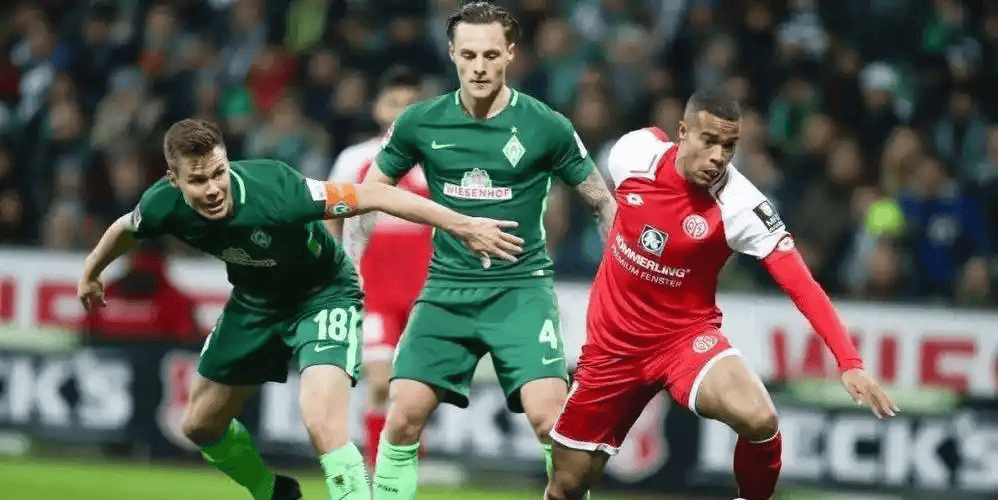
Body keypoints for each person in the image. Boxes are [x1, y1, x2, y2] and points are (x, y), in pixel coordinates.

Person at [77, 118, 524, 500]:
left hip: (323, 293)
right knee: (198, 426)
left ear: (227, 161)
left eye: (218, 173)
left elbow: (376, 196)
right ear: (174, 181)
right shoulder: (162, 204)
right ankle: (271, 491)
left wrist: (463, 225)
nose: (213, 189)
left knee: (320, 421)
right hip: (255, 302)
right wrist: (92, 271)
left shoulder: (276, 188)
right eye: (198, 181)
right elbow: (125, 229)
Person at [543, 89, 898, 500]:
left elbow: (802, 285)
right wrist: (605, 214)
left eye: (729, 146)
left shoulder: (741, 205)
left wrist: (849, 362)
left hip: (683, 341)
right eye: (708, 140)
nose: (718, 157)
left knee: (760, 418)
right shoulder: (632, 153)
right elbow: (595, 168)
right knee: (566, 486)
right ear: (683, 132)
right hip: (613, 348)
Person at [342, 3, 617, 499]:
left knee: (550, 421)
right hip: (446, 289)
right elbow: (370, 193)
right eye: (468, 55)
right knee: (401, 416)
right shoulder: (420, 122)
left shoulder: (546, 124)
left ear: (510, 53)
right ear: (452, 54)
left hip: (520, 290)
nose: (479, 66)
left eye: (491, 54)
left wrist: (622, 279)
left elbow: (601, 201)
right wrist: (350, 269)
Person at [326, 65, 430, 470]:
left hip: (425, 292)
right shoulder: (356, 159)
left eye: (411, 103)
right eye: (394, 102)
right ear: (377, 109)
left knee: (415, 389)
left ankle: (406, 468)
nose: (402, 111)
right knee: (381, 382)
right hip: (375, 292)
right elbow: (330, 215)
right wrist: (339, 265)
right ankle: (378, 468)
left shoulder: (436, 160)